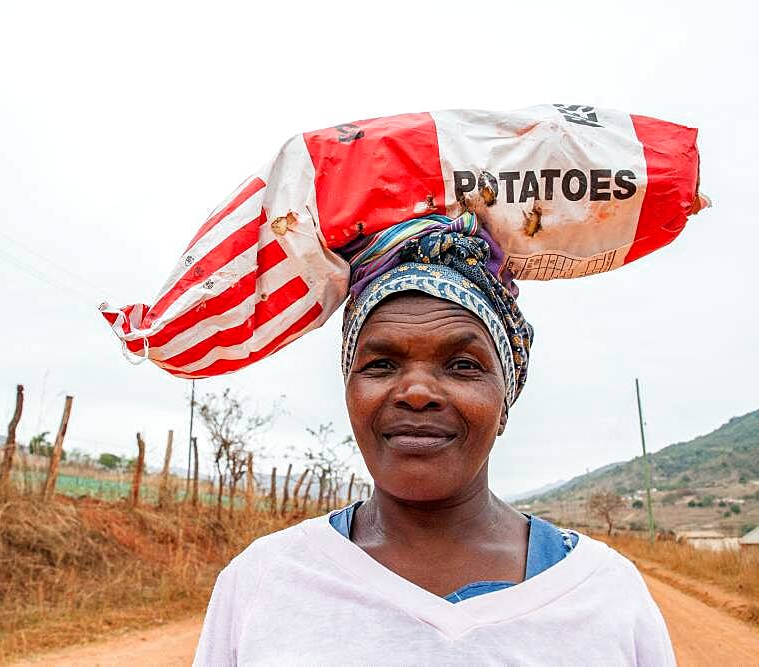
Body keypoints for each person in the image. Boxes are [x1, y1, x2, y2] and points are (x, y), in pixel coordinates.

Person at [192, 213, 675, 665]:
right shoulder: (263, 583)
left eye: (463, 365)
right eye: (381, 364)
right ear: (349, 391)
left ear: (505, 401)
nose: (417, 392)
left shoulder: (604, 596)